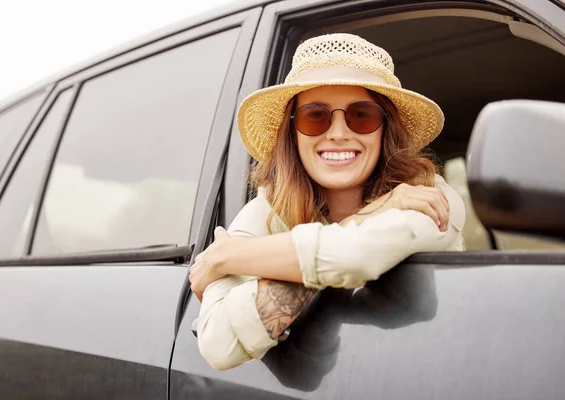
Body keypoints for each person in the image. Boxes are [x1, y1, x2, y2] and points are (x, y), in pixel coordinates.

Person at [188, 33, 465, 371]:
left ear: (384, 129)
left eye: (361, 115)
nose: (337, 133)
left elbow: (355, 257)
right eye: (314, 116)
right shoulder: (267, 210)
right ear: (292, 132)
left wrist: (227, 256)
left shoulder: (429, 194)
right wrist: (378, 211)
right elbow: (218, 346)